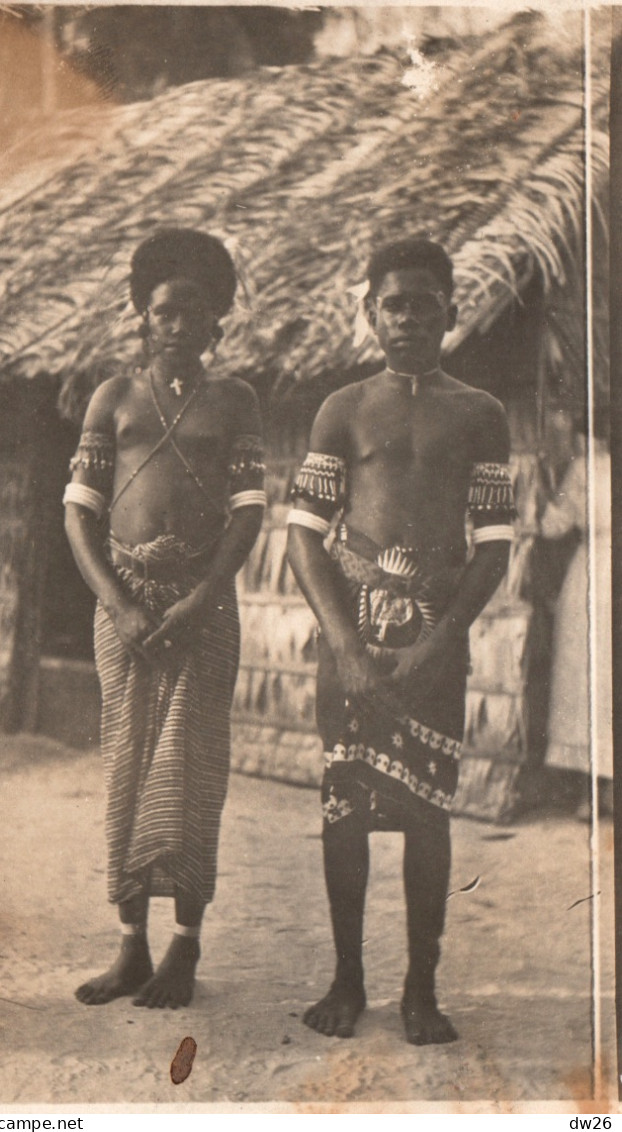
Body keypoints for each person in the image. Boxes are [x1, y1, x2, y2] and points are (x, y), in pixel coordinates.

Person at [286, 238, 516, 1044]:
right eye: (394, 303)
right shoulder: (341, 409)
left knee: (426, 817)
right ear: (370, 313)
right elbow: (305, 538)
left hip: (434, 646)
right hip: (349, 644)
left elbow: (493, 544)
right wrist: (345, 643)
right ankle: (347, 980)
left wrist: (442, 640)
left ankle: (422, 987)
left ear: (452, 310)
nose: (410, 316)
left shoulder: (482, 413)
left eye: (425, 301)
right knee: (344, 813)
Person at [64, 228, 265, 1008]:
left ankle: (184, 946)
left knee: (192, 771)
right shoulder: (112, 398)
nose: (177, 326)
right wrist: (117, 602)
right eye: (162, 313)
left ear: (218, 323)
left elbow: (249, 513)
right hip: (125, 610)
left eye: (194, 314)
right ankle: (130, 948)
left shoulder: (236, 400)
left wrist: (202, 594)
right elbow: (79, 516)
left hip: (203, 606)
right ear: (140, 317)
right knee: (126, 766)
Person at [540, 415, 612, 818]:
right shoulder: (587, 467)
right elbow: (556, 525)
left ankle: (594, 793)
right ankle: (602, 790)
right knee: (599, 679)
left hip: (590, 575)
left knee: (590, 678)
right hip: (598, 576)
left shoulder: (584, 469)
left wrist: (542, 503)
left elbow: (552, 526)